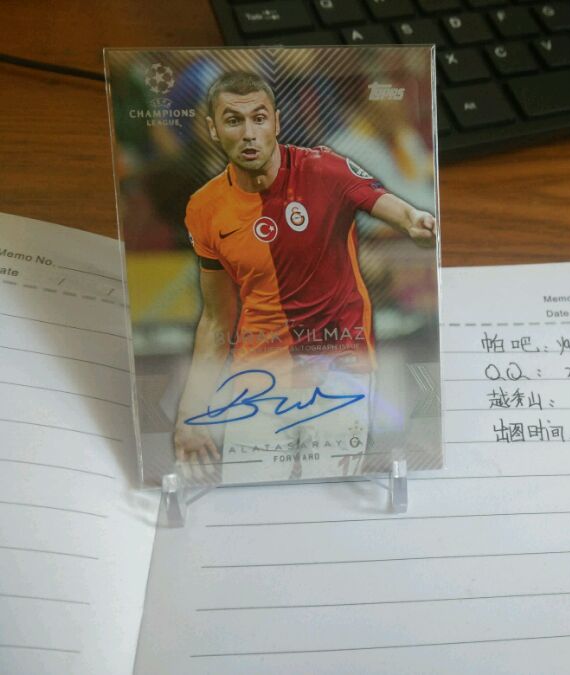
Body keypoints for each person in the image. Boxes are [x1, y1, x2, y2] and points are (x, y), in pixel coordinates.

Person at [172, 70, 436, 481]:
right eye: (233, 120)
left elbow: (385, 203)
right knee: (250, 500)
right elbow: (216, 318)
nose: (249, 133)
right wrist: (191, 412)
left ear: (276, 122)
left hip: (339, 369)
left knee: (329, 496)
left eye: (259, 119)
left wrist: (414, 220)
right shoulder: (204, 208)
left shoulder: (323, 169)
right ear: (213, 129)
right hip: (259, 377)